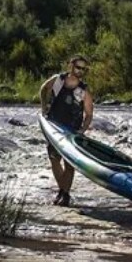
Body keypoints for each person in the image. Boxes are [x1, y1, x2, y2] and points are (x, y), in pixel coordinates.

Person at [39, 55, 94, 206]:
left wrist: (82, 130)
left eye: (84, 69)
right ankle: (62, 191)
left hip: (72, 131)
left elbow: (89, 114)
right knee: (54, 160)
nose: (80, 71)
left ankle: (65, 194)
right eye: (78, 67)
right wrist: (44, 107)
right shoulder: (58, 80)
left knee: (69, 164)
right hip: (54, 128)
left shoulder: (84, 90)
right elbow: (43, 89)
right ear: (71, 66)